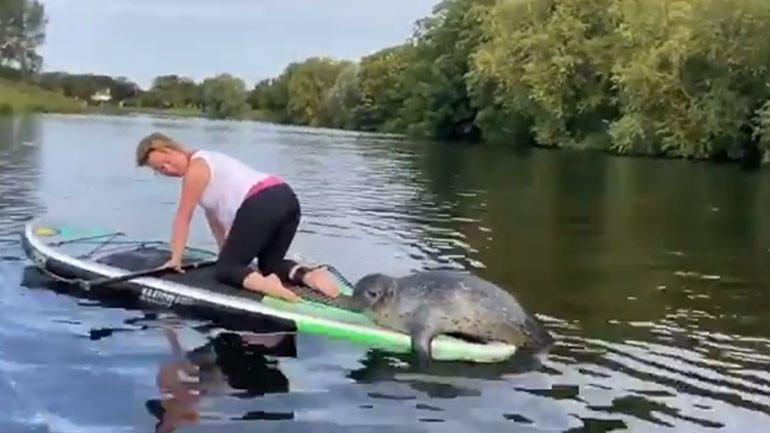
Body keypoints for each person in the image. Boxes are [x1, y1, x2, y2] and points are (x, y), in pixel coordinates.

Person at [134, 132, 339, 303]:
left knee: (225, 270)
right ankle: (310, 275)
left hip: (262, 201)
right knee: (270, 265)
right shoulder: (209, 160)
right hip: (285, 197)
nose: (168, 170)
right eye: (160, 170)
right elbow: (214, 219)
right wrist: (228, 254)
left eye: (167, 162)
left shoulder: (195, 169)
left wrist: (175, 260)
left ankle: (271, 286)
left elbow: (182, 217)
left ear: (174, 148)